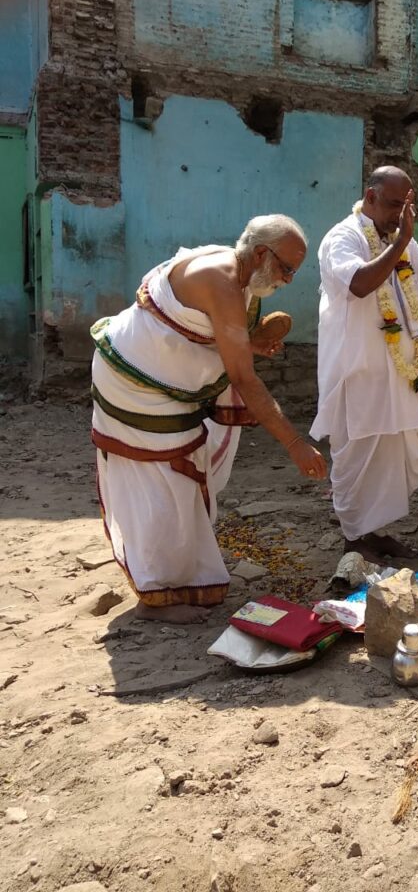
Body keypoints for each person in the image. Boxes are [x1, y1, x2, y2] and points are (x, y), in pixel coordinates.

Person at [90, 215, 327, 623]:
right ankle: (155, 596)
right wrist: (294, 443)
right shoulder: (222, 282)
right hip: (135, 385)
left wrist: (246, 341)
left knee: (182, 476)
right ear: (259, 253)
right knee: (163, 483)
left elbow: (204, 329)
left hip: (163, 386)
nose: (289, 280)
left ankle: (180, 581)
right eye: (286, 268)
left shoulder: (238, 272)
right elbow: (243, 380)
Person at [310, 166, 418, 558]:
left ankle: (375, 533)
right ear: (371, 195)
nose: (401, 213)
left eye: (407, 205)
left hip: (402, 374)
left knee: (393, 456)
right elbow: (359, 284)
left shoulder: (401, 239)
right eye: (395, 204)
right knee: (356, 455)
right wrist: (403, 241)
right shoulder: (342, 238)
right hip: (358, 372)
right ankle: (353, 539)